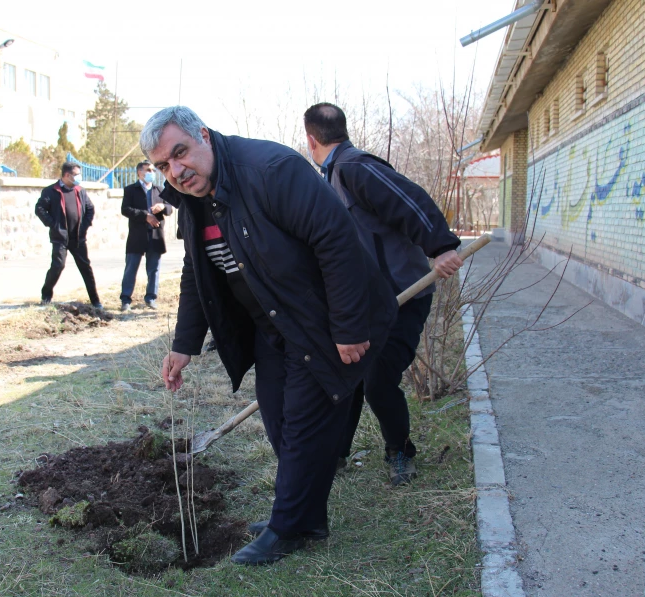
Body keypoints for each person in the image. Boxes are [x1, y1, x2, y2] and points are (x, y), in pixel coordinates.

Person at [142, 106, 397, 565]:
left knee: (301, 427)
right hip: (274, 323)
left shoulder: (270, 171)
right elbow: (195, 272)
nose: (176, 171)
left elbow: (337, 240)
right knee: (280, 420)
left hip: (322, 321)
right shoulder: (195, 196)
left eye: (180, 154)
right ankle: (305, 514)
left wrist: (349, 326)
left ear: (204, 134)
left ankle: (289, 527)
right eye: (163, 165)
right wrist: (184, 345)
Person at [303, 102, 463, 486]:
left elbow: (410, 199)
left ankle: (400, 452)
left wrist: (441, 246)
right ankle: (335, 453)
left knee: (377, 378)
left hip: (403, 296)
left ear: (311, 140)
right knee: (347, 376)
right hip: (365, 303)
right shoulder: (331, 178)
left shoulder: (355, 168)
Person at [35, 162, 102, 309]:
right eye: (76, 174)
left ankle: (95, 300)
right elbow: (40, 209)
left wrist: (84, 226)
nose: (79, 177)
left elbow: (90, 209)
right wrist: (53, 224)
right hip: (60, 237)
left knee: (85, 267)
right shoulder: (51, 191)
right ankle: (46, 296)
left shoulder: (80, 191)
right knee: (58, 265)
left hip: (78, 238)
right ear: (67, 175)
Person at [119, 160, 173, 311]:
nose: (151, 173)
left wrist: (162, 207)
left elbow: (170, 209)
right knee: (131, 268)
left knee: (154, 268)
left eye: (153, 170)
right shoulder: (131, 190)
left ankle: (151, 298)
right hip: (137, 235)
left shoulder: (159, 189)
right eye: (148, 170)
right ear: (139, 173)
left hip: (156, 235)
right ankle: (125, 299)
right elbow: (126, 209)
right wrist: (145, 216)